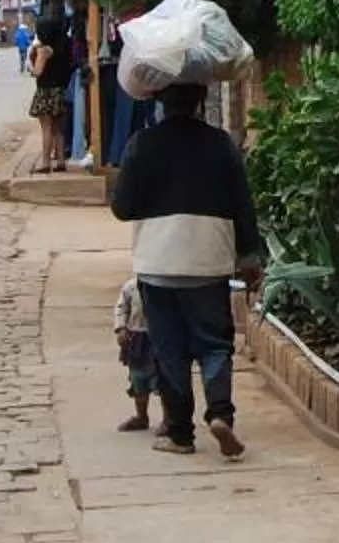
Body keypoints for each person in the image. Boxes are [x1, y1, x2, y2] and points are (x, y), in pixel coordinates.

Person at [107, 80, 263, 459]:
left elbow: (123, 208)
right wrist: (250, 257)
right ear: (199, 101)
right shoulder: (221, 144)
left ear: (159, 100)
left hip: (158, 260)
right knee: (214, 343)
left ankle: (179, 433)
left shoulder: (141, 145)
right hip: (209, 257)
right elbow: (243, 205)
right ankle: (221, 414)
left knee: (170, 348)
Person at [111, 280, 158, 432]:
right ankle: (141, 416)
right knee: (138, 378)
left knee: (163, 380)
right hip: (137, 338)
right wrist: (121, 328)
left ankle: (169, 419)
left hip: (160, 336)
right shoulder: (130, 287)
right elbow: (121, 308)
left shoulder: (164, 286)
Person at [29, 25, 73, 172]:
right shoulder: (62, 47)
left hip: (45, 91)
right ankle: (61, 161)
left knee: (46, 129)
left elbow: (38, 71)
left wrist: (32, 69)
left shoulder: (44, 50)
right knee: (58, 129)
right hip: (59, 90)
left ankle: (46, 163)